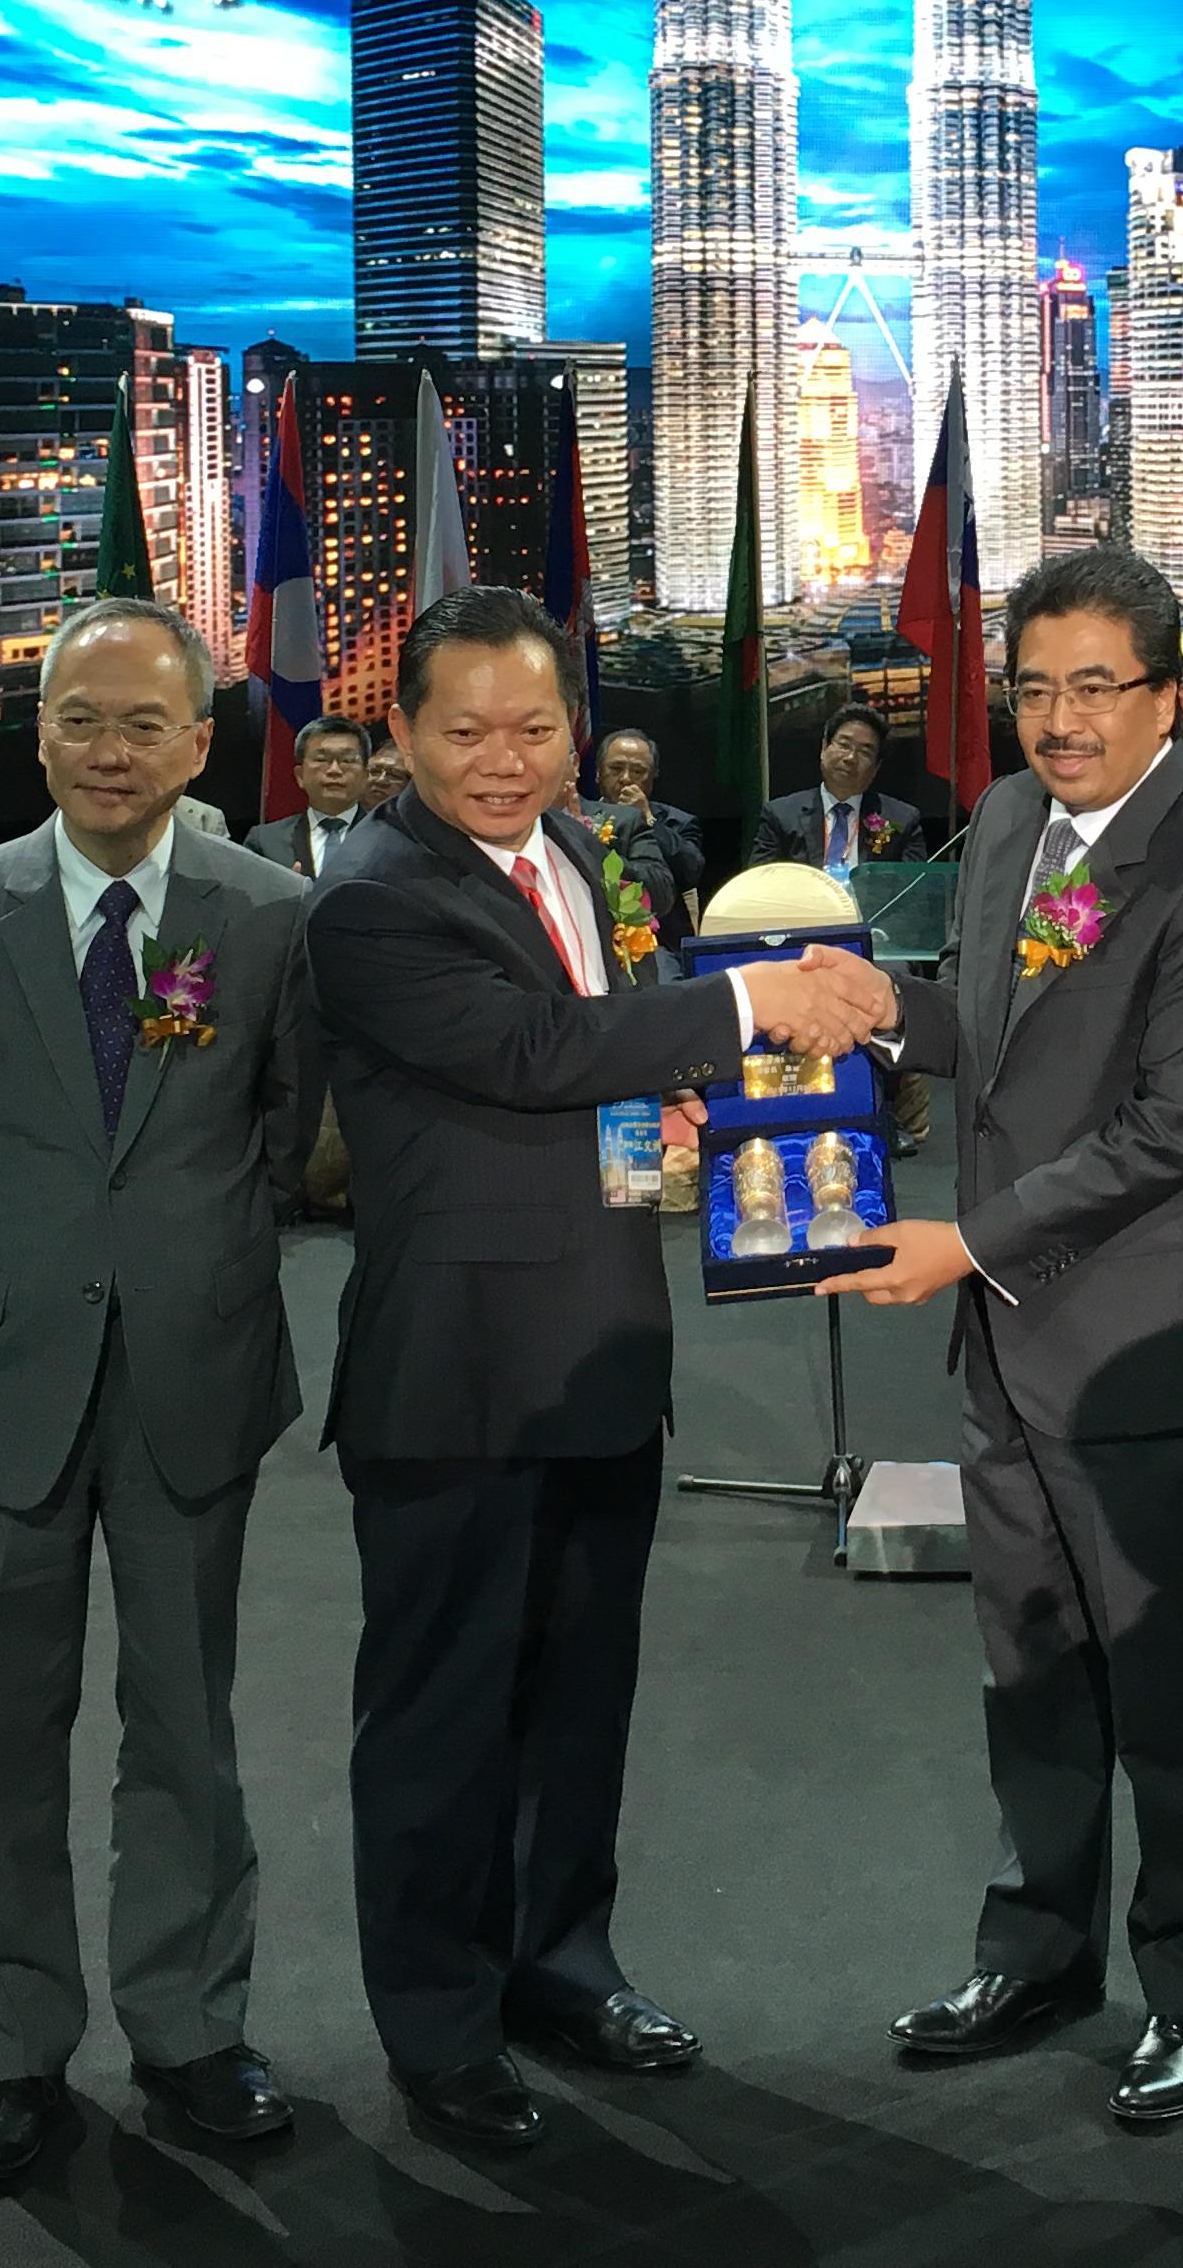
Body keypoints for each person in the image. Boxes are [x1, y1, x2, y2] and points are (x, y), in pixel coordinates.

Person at [310, 584, 891, 2153]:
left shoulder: (576, 852)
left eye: (534, 726)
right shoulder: (374, 897)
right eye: (465, 730)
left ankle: (561, 1967)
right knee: (441, 1720)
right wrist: (749, 1005)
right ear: (405, 737)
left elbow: (598, 1065)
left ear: (576, 731)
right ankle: (439, 2026)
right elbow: (530, 1055)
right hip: (455, 1377)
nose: (505, 759)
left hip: (597, 1354)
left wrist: (685, 1121)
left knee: (578, 1699)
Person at [807, 548, 1183, 2129]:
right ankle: (1037, 1957)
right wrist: (878, 1004)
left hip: (1149, 1341)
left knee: (1172, 1689)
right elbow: (995, 1040)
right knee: (1030, 1672)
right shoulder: (1012, 821)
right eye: (1036, 687)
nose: (1062, 719)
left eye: (1099, 687)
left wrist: (965, 1239)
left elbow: (1170, 1128)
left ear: (1173, 695)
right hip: (1006, 1347)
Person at [0, 594, 325, 2191]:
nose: (108, 751)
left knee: (188, 1721)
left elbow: (284, 1127)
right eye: (78, 721)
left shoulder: (265, 914)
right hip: (7, 1367)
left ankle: (191, 2028)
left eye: (144, 724)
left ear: (202, 741)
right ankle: (7, 2053)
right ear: (37, 733)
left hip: (194, 1366)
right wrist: (11, 1270)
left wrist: (173, 1260)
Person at [749, 701, 921, 881]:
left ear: (876, 767)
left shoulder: (902, 821)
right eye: (844, 745)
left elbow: (914, 897)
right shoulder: (780, 816)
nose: (850, 758)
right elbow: (759, 886)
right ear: (824, 748)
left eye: (864, 752)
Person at [246, 715, 381, 878]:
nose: (334, 770)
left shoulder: (388, 839)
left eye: (347, 760)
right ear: (300, 775)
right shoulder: (266, 841)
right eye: (321, 759)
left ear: (366, 775)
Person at [594, 728, 706, 920]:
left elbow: (691, 871)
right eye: (616, 768)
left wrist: (647, 818)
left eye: (637, 771)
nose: (626, 778)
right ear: (598, 773)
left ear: (653, 777)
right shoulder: (580, 816)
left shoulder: (677, 821)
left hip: (660, 934)